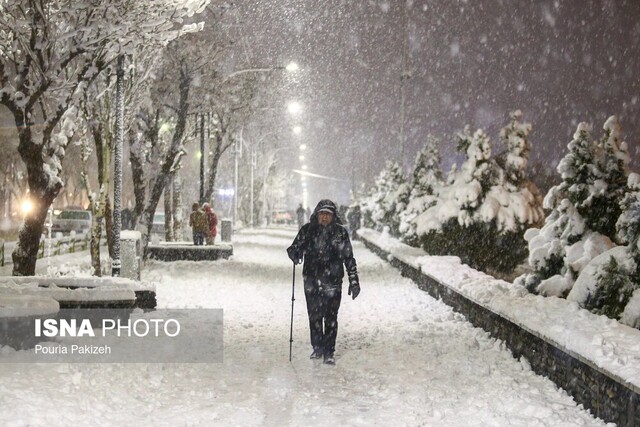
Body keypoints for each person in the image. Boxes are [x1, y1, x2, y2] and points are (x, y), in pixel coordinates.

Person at [286, 199, 361, 365]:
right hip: (311, 281)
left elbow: (349, 258)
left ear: (333, 216)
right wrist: (295, 253)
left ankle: (329, 351)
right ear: (317, 215)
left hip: (333, 282)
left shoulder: (340, 233)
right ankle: (317, 347)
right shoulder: (308, 230)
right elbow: (294, 248)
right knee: (314, 316)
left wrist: (353, 280)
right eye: (322, 214)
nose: (325, 217)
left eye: (328, 214)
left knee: (331, 317)